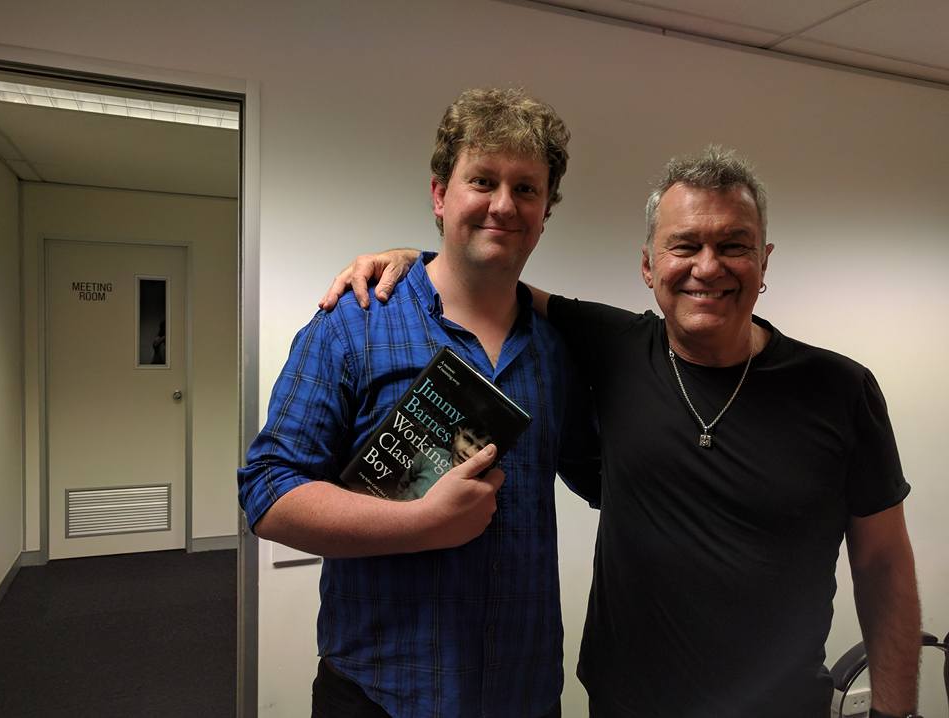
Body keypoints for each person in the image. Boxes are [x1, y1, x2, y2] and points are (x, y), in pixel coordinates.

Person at [320, 146, 922, 718]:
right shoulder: (613, 348)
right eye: (684, 245)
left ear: (764, 261)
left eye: (733, 245)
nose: (707, 267)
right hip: (625, 702)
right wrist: (412, 258)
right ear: (648, 265)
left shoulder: (841, 390)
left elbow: (884, 563)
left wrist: (896, 710)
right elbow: (485, 281)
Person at [238, 88, 598, 718]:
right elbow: (267, 493)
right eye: (482, 180)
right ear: (440, 195)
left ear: (546, 209)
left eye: (527, 189)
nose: (504, 205)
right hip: (381, 692)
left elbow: (602, 475)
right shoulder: (352, 324)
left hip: (524, 690)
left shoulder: (557, 349)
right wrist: (422, 523)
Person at [397, 423, 493, 500]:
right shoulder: (431, 454)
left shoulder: (473, 490)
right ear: (457, 434)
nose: (467, 452)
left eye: (479, 449)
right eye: (467, 439)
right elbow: (403, 484)